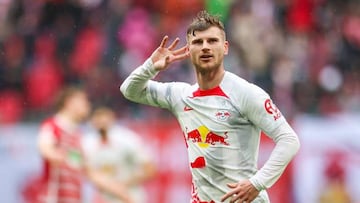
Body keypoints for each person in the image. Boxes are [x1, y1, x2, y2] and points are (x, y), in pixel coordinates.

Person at [120, 10, 300, 203]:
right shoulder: (181, 96)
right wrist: (151, 66)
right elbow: (129, 90)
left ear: (225, 48)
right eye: (198, 42)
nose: (205, 47)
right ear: (188, 50)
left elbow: (289, 140)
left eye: (212, 41)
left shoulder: (245, 93)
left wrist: (257, 183)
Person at [36, 87, 135, 203]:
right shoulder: (53, 126)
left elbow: (88, 171)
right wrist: (57, 155)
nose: (88, 106)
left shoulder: (77, 136)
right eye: (83, 101)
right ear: (70, 102)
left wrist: (119, 191)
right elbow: (45, 148)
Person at [82, 107, 156, 203]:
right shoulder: (87, 142)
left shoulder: (127, 139)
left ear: (112, 120)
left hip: (130, 196)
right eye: (98, 122)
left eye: (104, 122)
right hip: (103, 198)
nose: (101, 125)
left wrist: (124, 183)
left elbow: (150, 168)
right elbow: (87, 171)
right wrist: (112, 187)